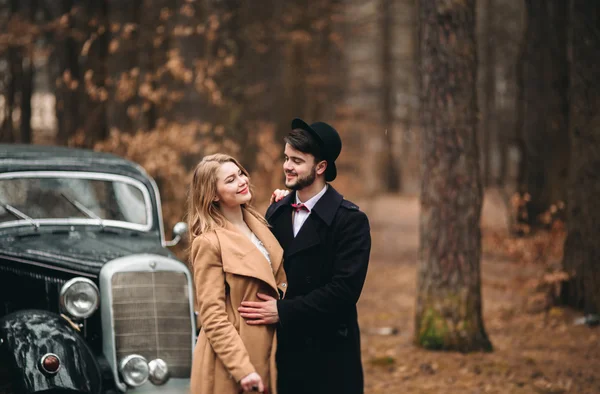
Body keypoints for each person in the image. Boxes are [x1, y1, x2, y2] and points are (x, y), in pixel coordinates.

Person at [238, 119, 372, 394]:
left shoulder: (350, 221)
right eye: (286, 157)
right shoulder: (276, 211)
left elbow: (344, 291)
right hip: (290, 351)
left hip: (333, 353)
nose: (287, 166)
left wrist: (283, 310)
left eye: (297, 160)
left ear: (321, 167)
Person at [188, 153, 288, 394]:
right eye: (230, 180)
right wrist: (243, 369)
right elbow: (212, 316)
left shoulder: (259, 224)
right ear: (213, 194)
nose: (242, 181)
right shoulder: (209, 243)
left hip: (270, 348)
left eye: (241, 173)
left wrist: (287, 205)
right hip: (232, 362)